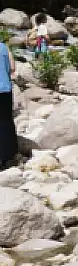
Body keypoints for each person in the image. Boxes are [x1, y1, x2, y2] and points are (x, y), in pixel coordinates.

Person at [0, 38, 17, 169]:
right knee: (6, 121)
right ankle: (9, 156)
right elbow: (12, 68)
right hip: (5, 89)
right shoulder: (4, 47)